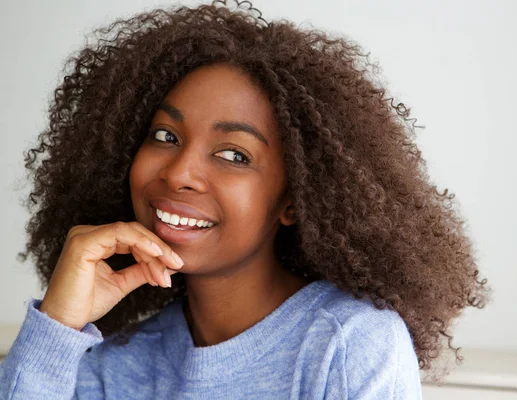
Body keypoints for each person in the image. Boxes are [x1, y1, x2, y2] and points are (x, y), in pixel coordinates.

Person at [0, 1, 490, 398]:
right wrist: (58, 325)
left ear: (295, 200)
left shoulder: (346, 344)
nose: (180, 173)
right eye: (165, 136)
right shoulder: (110, 362)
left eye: (233, 154)